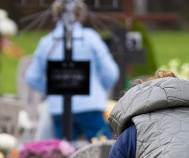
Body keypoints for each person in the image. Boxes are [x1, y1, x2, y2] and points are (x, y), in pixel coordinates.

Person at [24, 0, 119, 141]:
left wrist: (53, 88)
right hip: (89, 105)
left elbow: (32, 77)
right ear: (80, 15)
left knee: (65, 153)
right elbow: (111, 71)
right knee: (103, 153)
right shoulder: (90, 38)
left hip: (59, 107)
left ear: (55, 15)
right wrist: (99, 88)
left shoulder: (47, 42)